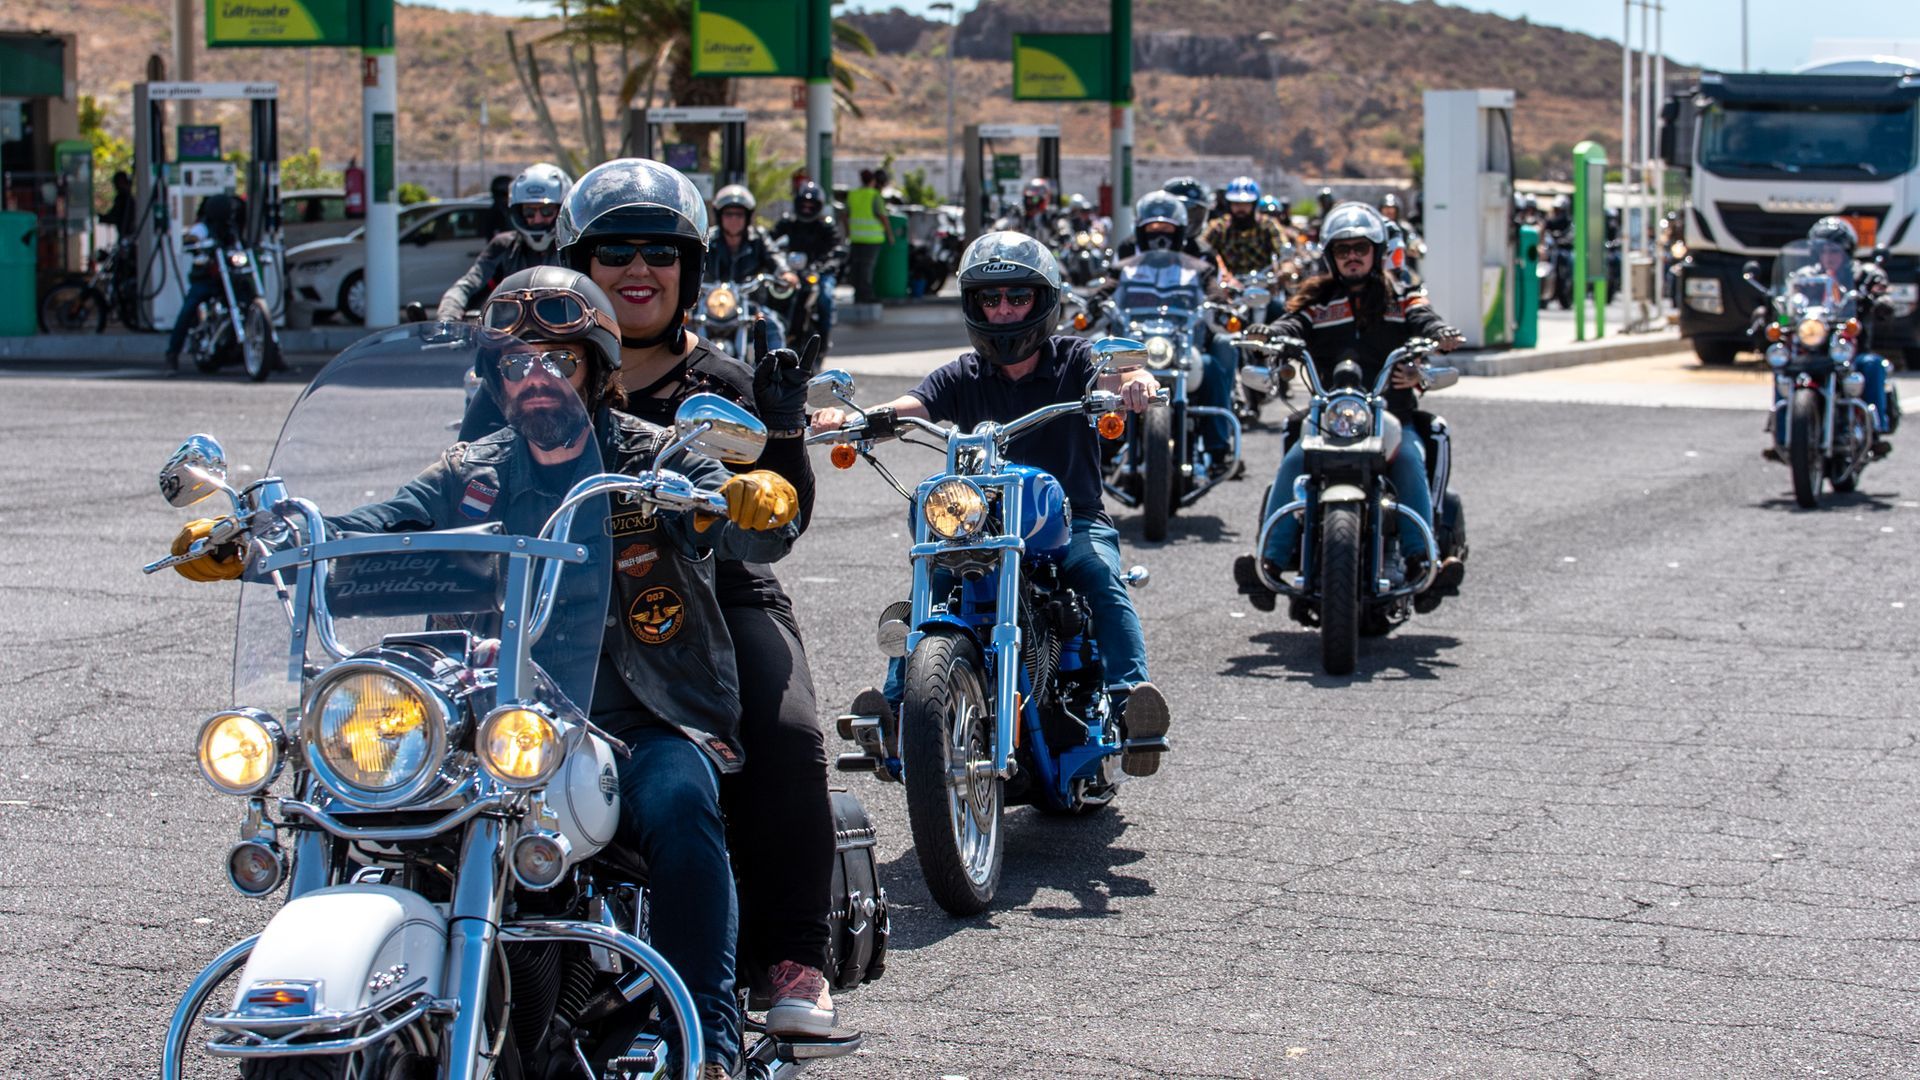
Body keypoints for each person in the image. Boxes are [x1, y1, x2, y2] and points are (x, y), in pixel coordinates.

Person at [169, 266, 801, 1080]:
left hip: (640, 716)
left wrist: (754, 501)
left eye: (556, 361)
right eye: (515, 364)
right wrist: (256, 547)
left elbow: (741, 526)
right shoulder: (472, 473)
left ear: (596, 368)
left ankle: (707, 1043)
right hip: (487, 717)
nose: (536, 379)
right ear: (496, 382)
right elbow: (372, 529)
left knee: (681, 805)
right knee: (347, 801)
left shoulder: (652, 459)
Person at [553, 157, 844, 1051]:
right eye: (614, 251)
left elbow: (778, 515)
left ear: (689, 269)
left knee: (785, 730)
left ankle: (792, 954)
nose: (637, 269)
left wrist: (785, 432)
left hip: (717, 593)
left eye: (658, 252)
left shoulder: (719, 380)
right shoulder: (535, 378)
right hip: (563, 598)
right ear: (581, 266)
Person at [810, 231, 1174, 778]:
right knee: (927, 589)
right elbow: (912, 404)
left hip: (1067, 521)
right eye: (990, 299)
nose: (1003, 310)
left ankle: (1130, 705)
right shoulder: (963, 374)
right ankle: (895, 712)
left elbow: (1118, 371)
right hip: (980, 525)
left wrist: (1137, 382)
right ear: (974, 305)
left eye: (1017, 297)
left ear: (1043, 301)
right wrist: (854, 419)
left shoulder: (1075, 361)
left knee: (1102, 579)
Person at [1235, 202, 1467, 612]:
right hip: (1328, 418)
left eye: (1361, 248)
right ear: (1331, 257)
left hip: (1388, 416)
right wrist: (1271, 335)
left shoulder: (1402, 296)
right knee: (1292, 461)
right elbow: (1292, 324)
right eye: (1343, 250)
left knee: (1411, 458)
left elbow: (1425, 320)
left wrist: (1439, 335)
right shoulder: (1317, 301)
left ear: (1377, 252)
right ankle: (1266, 563)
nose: (1353, 256)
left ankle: (1421, 561)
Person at [1101, 191, 1240, 477]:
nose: (1159, 236)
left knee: (1213, 364)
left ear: (1179, 231)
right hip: (1137, 337)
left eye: (1166, 229)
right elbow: (1110, 285)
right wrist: (1093, 303)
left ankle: (1217, 448)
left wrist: (1225, 307)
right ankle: (1101, 445)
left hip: (1182, 336)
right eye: (1152, 229)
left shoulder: (1198, 260)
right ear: (1140, 231)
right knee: (1097, 360)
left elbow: (1212, 285)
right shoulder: (1127, 257)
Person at [1777, 217, 1899, 457]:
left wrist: (1882, 301)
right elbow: (1785, 305)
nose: (1829, 256)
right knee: (1782, 366)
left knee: (1872, 364)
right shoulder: (1804, 277)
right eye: (1823, 250)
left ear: (1847, 252)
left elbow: (1881, 291)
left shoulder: (1864, 273)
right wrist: (1773, 316)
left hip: (1850, 349)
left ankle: (1876, 431)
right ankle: (1782, 434)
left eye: (1834, 250)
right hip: (1812, 347)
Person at [437, 162, 572, 321]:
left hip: (567, 337)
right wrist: (447, 319)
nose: (537, 219)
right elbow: (466, 285)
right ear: (518, 212)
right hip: (510, 336)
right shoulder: (503, 246)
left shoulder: (573, 249)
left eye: (546, 210)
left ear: (561, 209)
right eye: (529, 211)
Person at [704, 184, 793, 352]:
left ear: (747, 217)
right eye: (728, 214)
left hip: (749, 303)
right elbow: (694, 259)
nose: (734, 220)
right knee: (685, 325)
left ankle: (777, 374)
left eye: (739, 215)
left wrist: (785, 272)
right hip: (713, 304)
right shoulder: (709, 239)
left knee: (772, 327)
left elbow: (774, 255)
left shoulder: (758, 238)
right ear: (720, 216)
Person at [162, 193, 242, 376]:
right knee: (188, 308)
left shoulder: (231, 229)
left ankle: (272, 351)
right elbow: (191, 238)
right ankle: (172, 354)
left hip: (228, 280)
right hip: (206, 279)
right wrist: (198, 243)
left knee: (249, 299)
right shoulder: (203, 227)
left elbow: (239, 246)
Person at [771, 180, 846, 351]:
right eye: (803, 204)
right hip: (790, 272)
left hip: (817, 272)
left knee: (825, 298)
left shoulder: (826, 227)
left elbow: (835, 251)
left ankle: (824, 341)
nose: (806, 208)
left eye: (811, 205)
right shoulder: (787, 223)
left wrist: (820, 268)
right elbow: (770, 243)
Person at [1203, 176, 1287, 289]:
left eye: (1246, 204)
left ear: (1254, 204)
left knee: (1279, 306)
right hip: (1227, 288)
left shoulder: (1268, 225)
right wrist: (1225, 276)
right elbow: (1203, 252)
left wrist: (1286, 267)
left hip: (1263, 287)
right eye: (1236, 204)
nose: (1241, 209)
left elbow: (1283, 250)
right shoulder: (1219, 227)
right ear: (1229, 204)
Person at [847, 167, 894, 304]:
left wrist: (848, 231)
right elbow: (883, 216)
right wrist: (890, 235)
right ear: (872, 180)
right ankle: (866, 295)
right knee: (867, 268)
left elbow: (844, 215)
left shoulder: (853, 194)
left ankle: (858, 294)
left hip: (856, 238)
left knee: (858, 267)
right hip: (872, 239)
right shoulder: (874, 195)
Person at [1161, 176, 1213, 251]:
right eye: (1180, 211)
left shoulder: (1204, 252)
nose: (1188, 219)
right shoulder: (1153, 244)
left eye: (1195, 211)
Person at [103, 170, 136, 242]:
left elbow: (115, 216)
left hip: (128, 236)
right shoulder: (123, 198)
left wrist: (104, 218)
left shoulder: (125, 199)